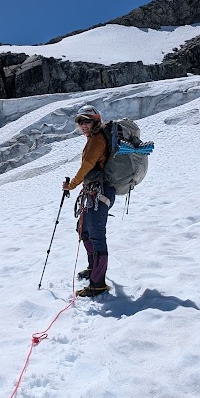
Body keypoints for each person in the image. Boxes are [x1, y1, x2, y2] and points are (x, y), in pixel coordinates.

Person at [62, 105, 115, 297]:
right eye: (80, 122)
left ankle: (98, 284)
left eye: (87, 121)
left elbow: (88, 165)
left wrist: (73, 184)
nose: (83, 125)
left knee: (96, 234)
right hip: (94, 191)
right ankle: (94, 268)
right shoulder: (93, 138)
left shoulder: (97, 139)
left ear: (96, 121)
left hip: (101, 192)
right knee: (83, 228)